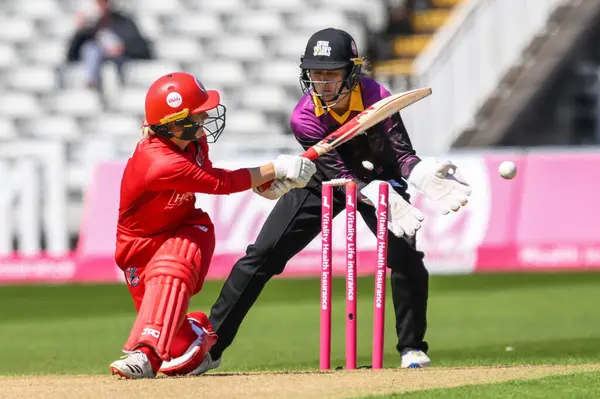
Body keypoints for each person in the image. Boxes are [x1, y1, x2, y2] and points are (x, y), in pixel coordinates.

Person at [175, 27, 471, 374]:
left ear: (352, 72)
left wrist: (420, 174)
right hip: (322, 178)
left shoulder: (377, 96)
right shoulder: (304, 117)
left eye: (331, 74)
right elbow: (337, 173)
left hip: (381, 177)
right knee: (262, 256)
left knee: (404, 255)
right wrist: (366, 191)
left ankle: (411, 349)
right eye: (316, 74)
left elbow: (402, 153)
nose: (323, 83)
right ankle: (212, 347)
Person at [108, 71, 317, 379]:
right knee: (179, 342)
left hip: (188, 227)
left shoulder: (193, 140)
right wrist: (276, 167)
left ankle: (146, 356)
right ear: (173, 123)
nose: (205, 118)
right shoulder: (160, 162)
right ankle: (194, 332)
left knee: (173, 265)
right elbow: (220, 182)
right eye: (197, 114)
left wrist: (263, 183)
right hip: (139, 248)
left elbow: (209, 173)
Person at [65, 0, 152, 91]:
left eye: (103, 2)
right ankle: (92, 84)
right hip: (97, 66)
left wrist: (122, 48)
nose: (99, 6)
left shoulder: (124, 22)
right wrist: (81, 30)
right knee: (91, 49)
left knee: (109, 69)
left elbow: (143, 48)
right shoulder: (89, 28)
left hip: (119, 65)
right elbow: (71, 55)